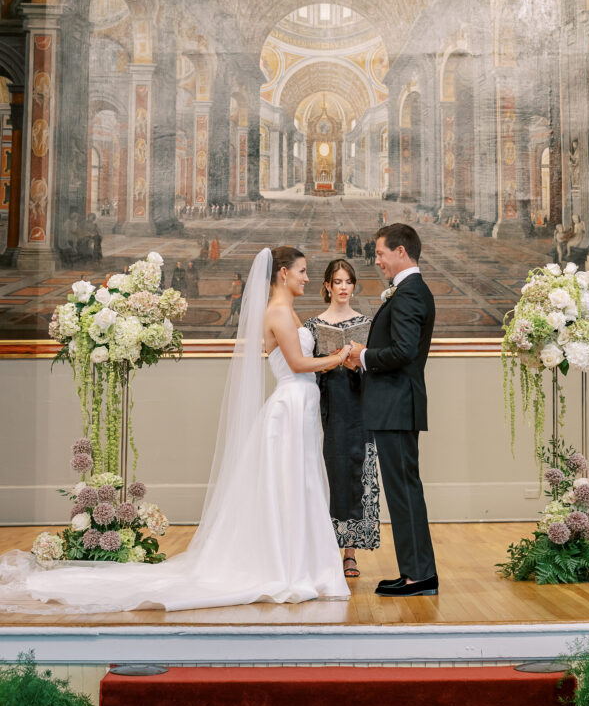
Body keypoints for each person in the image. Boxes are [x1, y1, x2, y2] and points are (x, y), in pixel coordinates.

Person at [0, 248, 351, 612]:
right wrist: (340, 358)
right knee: (291, 484)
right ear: (282, 273)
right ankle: (288, 566)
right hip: (291, 405)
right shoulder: (278, 312)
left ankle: (300, 562)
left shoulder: (288, 310)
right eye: (302, 271)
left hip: (302, 404)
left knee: (300, 483)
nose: (307, 278)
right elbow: (296, 363)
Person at [346, 223, 437, 597]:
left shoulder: (410, 293)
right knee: (403, 491)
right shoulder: (408, 292)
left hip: (397, 406)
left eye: (381, 252)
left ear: (401, 251)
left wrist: (362, 355)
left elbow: (403, 352)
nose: (377, 260)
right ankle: (415, 572)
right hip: (395, 406)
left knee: (404, 491)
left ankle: (419, 576)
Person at [304, 260, 380, 579]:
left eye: (348, 281)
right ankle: (323, 550)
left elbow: (379, 366)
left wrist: (359, 363)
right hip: (326, 404)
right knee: (326, 471)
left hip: (359, 404)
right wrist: (331, 361)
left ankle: (350, 553)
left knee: (355, 471)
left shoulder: (366, 323)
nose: (344, 287)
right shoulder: (312, 325)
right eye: (337, 282)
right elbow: (303, 366)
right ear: (327, 286)